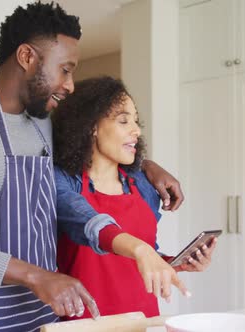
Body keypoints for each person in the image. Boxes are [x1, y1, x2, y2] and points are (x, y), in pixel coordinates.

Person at [0, 2, 185, 332]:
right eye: (65, 69)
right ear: (26, 57)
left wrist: (147, 167)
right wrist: (37, 276)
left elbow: (88, 152)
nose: (69, 84)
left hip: (35, 314)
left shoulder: (42, 123)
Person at [52, 76, 217, 319]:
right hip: (84, 325)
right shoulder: (63, 181)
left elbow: (143, 255)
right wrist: (140, 250)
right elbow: (89, 223)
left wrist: (173, 263)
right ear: (91, 126)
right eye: (123, 120)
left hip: (143, 321)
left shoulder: (143, 185)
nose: (136, 131)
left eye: (136, 122)